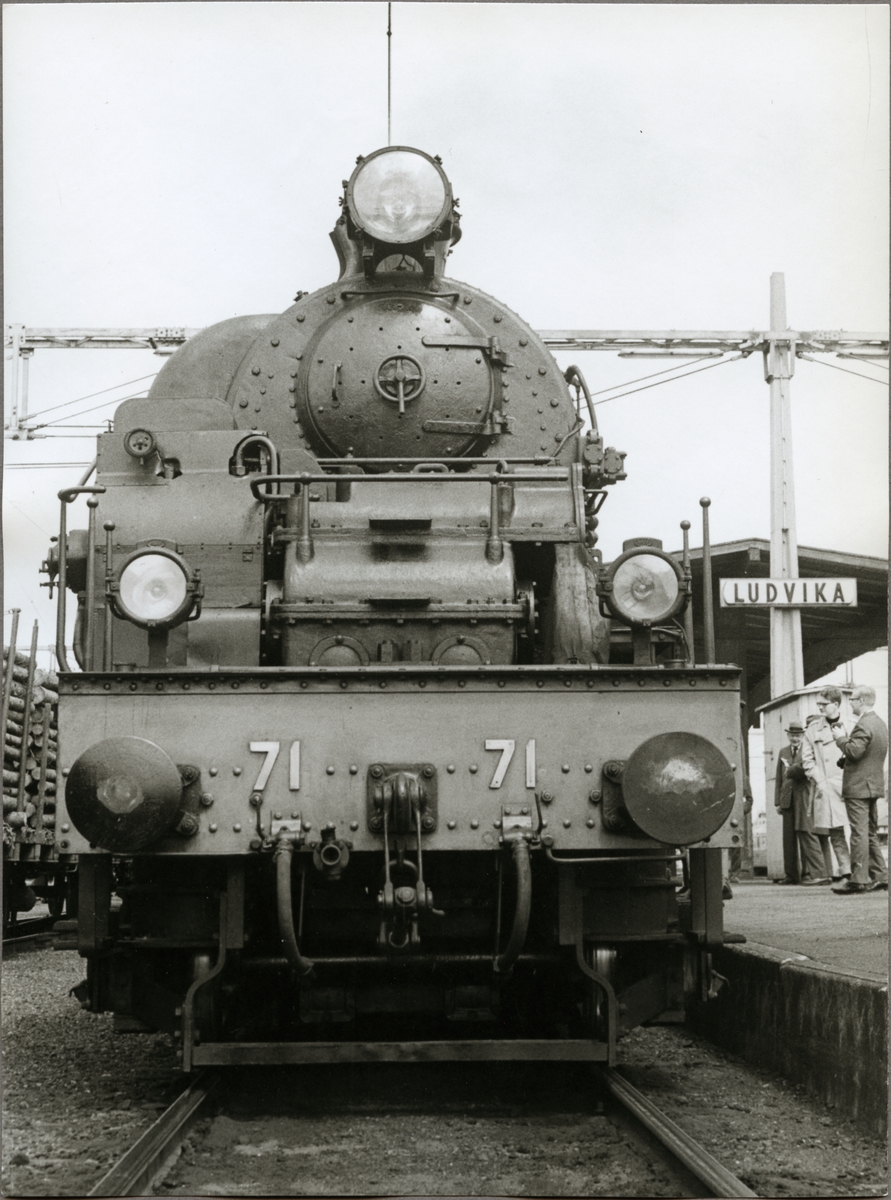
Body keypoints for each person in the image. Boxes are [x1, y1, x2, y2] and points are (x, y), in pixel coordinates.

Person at [830, 685, 889, 895]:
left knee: (859, 834)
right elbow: (866, 755)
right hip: (873, 786)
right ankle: (881, 876)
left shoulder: (863, 724)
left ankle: (858, 881)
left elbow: (855, 751)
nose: (850, 702)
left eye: (853, 699)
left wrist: (840, 737)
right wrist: (846, 759)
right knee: (870, 833)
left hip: (857, 788)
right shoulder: (880, 724)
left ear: (862, 701)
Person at [800, 688, 852, 884]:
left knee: (858, 830)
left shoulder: (852, 725)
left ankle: (863, 872)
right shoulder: (813, 730)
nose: (820, 707)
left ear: (836, 704)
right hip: (827, 787)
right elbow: (807, 761)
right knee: (836, 832)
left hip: (850, 784)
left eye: (824, 704)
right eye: (818, 704)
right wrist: (820, 781)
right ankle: (847, 872)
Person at [774, 722, 804, 883]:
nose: (794, 738)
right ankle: (791, 875)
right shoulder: (782, 752)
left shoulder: (807, 750)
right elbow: (779, 777)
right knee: (788, 839)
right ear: (788, 736)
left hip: (802, 799)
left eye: (797, 735)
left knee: (805, 836)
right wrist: (777, 801)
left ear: (802, 736)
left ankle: (807, 874)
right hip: (787, 800)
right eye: (792, 735)